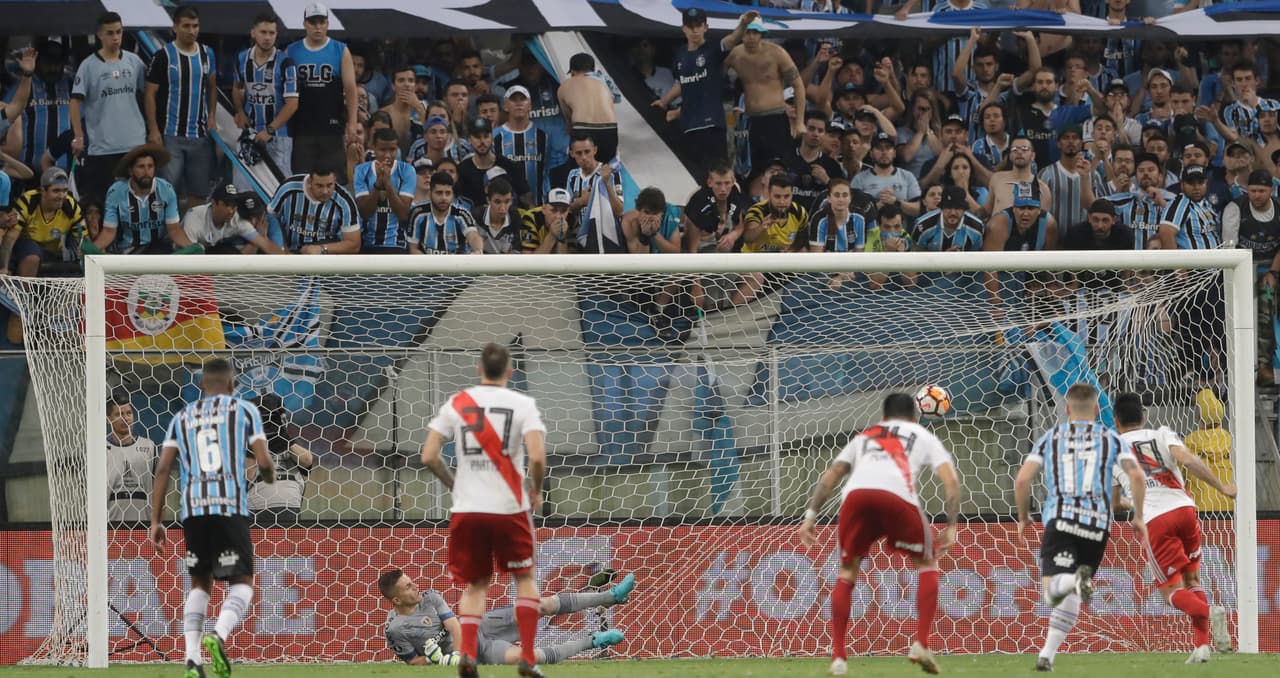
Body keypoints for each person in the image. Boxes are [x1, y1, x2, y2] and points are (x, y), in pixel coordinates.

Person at [797, 392, 961, 677]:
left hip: (855, 497)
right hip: (897, 497)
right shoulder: (921, 434)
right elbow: (951, 481)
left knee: (847, 572)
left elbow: (832, 474)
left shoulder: (864, 436)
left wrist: (810, 517)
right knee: (927, 563)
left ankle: (838, 658)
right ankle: (921, 642)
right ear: (914, 416)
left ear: (883, 416)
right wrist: (951, 526)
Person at [419, 343, 549, 677]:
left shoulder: (458, 403)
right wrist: (534, 490)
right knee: (524, 578)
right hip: (510, 508)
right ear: (510, 371)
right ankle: (528, 657)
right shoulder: (522, 405)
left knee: (475, 585)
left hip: (469, 508)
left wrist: (454, 485)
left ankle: (468, 654)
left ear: (479, 369)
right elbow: (536, 457)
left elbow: (429, 455)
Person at [150, 358, 275, 678]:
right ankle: (218, 634)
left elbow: (163, 468)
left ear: (201, 385)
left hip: (193, 511)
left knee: (199, 584)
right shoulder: (244, 411)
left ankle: (192, 658)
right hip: (229, 506)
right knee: (242, 583)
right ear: (233, 385)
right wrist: (270, 474)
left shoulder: (181, 417)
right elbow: (262, 461)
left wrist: (156, 521)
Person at [1014, 383, 1147, 673]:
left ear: (1067, 409)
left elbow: (1023, 480)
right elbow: (1136, 476)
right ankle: (1047, 655)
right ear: (1098, 409)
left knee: (1053, 592)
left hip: (1061, 519)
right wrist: (1138, 515)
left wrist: (1024, 517)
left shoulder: (1051, 437)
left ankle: (1070, 583)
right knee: (1071, 595)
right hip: (1098, 525)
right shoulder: (1111, 438)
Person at [1109, 392, 1234, 664]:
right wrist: (1222, 487)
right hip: (1185, 511)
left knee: (1170, 593)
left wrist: (1131, 502)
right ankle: (1201, 648)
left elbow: (1115, 502)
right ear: (1144, 416)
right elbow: (1189, 460)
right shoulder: (1163, 434)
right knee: (1193, 581)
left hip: (1155, 519)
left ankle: (1209, 611)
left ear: (1115, 421)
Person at [379, 568, 630, 667]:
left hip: (479, 626)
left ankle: (610, 596)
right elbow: (413, 662)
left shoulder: (430, 597)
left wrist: (455, 655)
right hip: (482, 651)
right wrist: (438, 661)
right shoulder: (395, 630)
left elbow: (454, 626)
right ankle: (595, 641)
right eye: (408, 587)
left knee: (538, 606)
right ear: (397, 600)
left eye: (412, 582)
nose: (416, 587)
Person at [652, 8, 756, 179]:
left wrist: (743, 23)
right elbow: (681, 82)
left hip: (712, 126)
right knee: (696, 176)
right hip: (688, 127)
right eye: (690, 26)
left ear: (706, 27)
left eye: (698, 25)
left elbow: (732, 39)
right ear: (683, 28)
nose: (695, 30)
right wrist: (664, 101)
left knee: (719, 175)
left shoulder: (713, 50)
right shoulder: (680, 55)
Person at [71, 12, 147, 206]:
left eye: (119, 32)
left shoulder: (134, 62)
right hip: (102, 146)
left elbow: (149, 94)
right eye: (110, 33)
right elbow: (75, 101)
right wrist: (79, 136)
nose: (115, 37)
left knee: (136, 199)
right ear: (100, 35)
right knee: (104, 201)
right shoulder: (88, 66)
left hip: (134, 142)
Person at [145, 5, 218, 207]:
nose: (192, 31)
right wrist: (153, 130)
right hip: (170, 135)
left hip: (200, 136)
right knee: (167, 191)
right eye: (186, 26)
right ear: (175, 27)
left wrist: (212, 115)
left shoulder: (207, 54)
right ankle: (166, 237)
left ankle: (190, 234)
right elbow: (150, 94)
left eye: (195, 26)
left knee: (199, 193)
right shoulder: (163, 56)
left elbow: (212, 88)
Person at [286, 2, 360, 184]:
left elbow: (350, 89)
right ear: (305, 24)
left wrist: (352, 122)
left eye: (321, 22)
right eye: (313, 22)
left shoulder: (340, 50)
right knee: (301, 180)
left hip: (331, 128)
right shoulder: (291, 50)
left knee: (335, 180)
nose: (317, 27)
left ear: (327, 23)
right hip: (301, 128)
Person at [725, 19, 805, 179]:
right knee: (753, 170)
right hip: (751, 121)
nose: (751, 37)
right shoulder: (735, 55)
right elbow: (717, 74)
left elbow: (798, 86)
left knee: (779, 169)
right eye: (747, 32)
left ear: (761, 34)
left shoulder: (777, 53)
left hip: (775, 118)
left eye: (755, 32)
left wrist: (799, 122)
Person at [1223, 169, 1280, 379]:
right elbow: (1229, 248)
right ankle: (1243, 364)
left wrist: (1272, 272)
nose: (1257, 195)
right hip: (1242, 267)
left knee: (1266, 308)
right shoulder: (1235, 208)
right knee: (1247, 313)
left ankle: (1267, 364)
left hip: (1271, 267)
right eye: (1253, 191)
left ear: (1271, 190)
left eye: (1262, 191)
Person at [231, 13, 299, 179]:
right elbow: (237, 88)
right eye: (263, 32)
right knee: (244, 186)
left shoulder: (286, 63)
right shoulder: (241, 58)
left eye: (271, 33)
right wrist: (239, 111)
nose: (267, 37)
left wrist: (270, 130)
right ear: (253, 32)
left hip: (278, 136)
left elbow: (292, 104)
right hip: (249, 134)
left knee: (278, 187)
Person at [95, 144, 190, 254]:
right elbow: (108, 231)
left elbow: (174, 230)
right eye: (141, 167)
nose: (146, 171)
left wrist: (192, 247)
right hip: (127, 249)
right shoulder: (116, 192)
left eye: (150, 166)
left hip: (158, 248)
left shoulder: (166, 189)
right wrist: (91, 249)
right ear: (130, 171)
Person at [2, 168, 83, 281]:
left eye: (65, 190)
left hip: (54, 252)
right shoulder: (28, 201)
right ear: (43, 191)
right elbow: (10, 238)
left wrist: (83, 249)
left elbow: (83, 239)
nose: (62, 196)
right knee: (32, 255)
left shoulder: (71, 205)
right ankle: (24, 297)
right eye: (56, 191)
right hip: (24, 249)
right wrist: (3, 268)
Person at [246, 393, 314, 528]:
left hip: (287, 503)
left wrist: (282, 439)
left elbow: (307, 461)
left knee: (284, 546)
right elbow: (247, 477)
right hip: (257, 503)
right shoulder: (247, 445)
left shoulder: (291, 443)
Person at [269, 166, 361, 254]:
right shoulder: (288, 188)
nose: (325, 191)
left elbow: (354, 244)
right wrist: (282, 248)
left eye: (329, 185)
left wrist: (322, 249)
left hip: (325, 253)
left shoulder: (344, 201)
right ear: (309, 182)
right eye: (319, 186)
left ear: (335, 181)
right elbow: (270, 217)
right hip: (289, 251)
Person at [354, 128, 416, 253]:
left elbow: (403, 214)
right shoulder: (361, 170)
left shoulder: (407, 170)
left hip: (396, 245)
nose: (387, 155)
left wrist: (387, 183)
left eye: (392, 150)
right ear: (373, 147)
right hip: (367, 244)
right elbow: (365, 212)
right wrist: (377, 184)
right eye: (382, 150)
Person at [181, 184, 285, 254]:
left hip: (210, 253)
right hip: (178, 254)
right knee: (200, 249)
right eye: (227, 205)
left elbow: (264, 244)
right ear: (214, 203)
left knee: (228, 251)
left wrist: (292, 264)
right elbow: (187, 255)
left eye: (234, 205)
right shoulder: (194, 218)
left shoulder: (236, 218)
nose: (231, 210)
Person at [558, 53, 619, 164]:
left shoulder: (565, 85)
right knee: (606, 170)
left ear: (573, 72)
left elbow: (568, 122)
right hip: (610, 129)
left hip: (583, 128)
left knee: (580, 174)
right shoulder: (604, 83)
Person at [106, 390, 154, 525]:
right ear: (108, 418)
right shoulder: (100, 449)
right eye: (119, 414)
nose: (125, 418)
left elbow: (157, 487)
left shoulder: (149, 447)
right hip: (110, 527)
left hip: (144, 526)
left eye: (128, 413)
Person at [495, 86, 549, 204]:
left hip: (538, 204)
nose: (519, 103)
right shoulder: (495, 136)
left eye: (522, 99)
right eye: (514, 99)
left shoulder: (543, 136)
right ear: (505, 106)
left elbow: (548, 169)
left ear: (529, 105)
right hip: (506, 208)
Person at [457, 118, 526, 209]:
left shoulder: (508, 166)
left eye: (486, 136)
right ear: (469, 139)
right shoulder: (462, 170)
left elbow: (525, 197)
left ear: (492, 138)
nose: (482, 142)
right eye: (477, 137)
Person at [409, 171, 483, 254]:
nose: (444, 198)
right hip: (427, 264)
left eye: (448, 193)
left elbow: (473, 237)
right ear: (430, 193)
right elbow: (413, 249)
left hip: (457, 265)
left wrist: (477, 250)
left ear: (453, 195)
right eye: (439, 193)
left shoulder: (461, 214)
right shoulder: (418, 213)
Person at [914, 185, 983, 252]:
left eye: (957, 208)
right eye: (948, 207)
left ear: (964, 209)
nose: (953, 213)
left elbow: (978, 257)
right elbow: (916, 254)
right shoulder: (922, 226)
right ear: (941, 208)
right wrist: (944, 259)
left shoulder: (976, 228)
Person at [473, 177, 522, 254]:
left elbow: (517, 249)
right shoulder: (476, 216)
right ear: (488, 200)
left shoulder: (515, 217)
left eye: (507, 201)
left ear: (512, 201)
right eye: (497, 202)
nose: (502, 208)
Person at [519, 187, 574, 254]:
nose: (558, 216)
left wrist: (561, 237)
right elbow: (528, 261)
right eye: (554, 210)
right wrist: (551, 235)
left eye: (564, 211)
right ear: (544, 209)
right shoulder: (531, 218)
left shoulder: (572, 220)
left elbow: (568, 262)